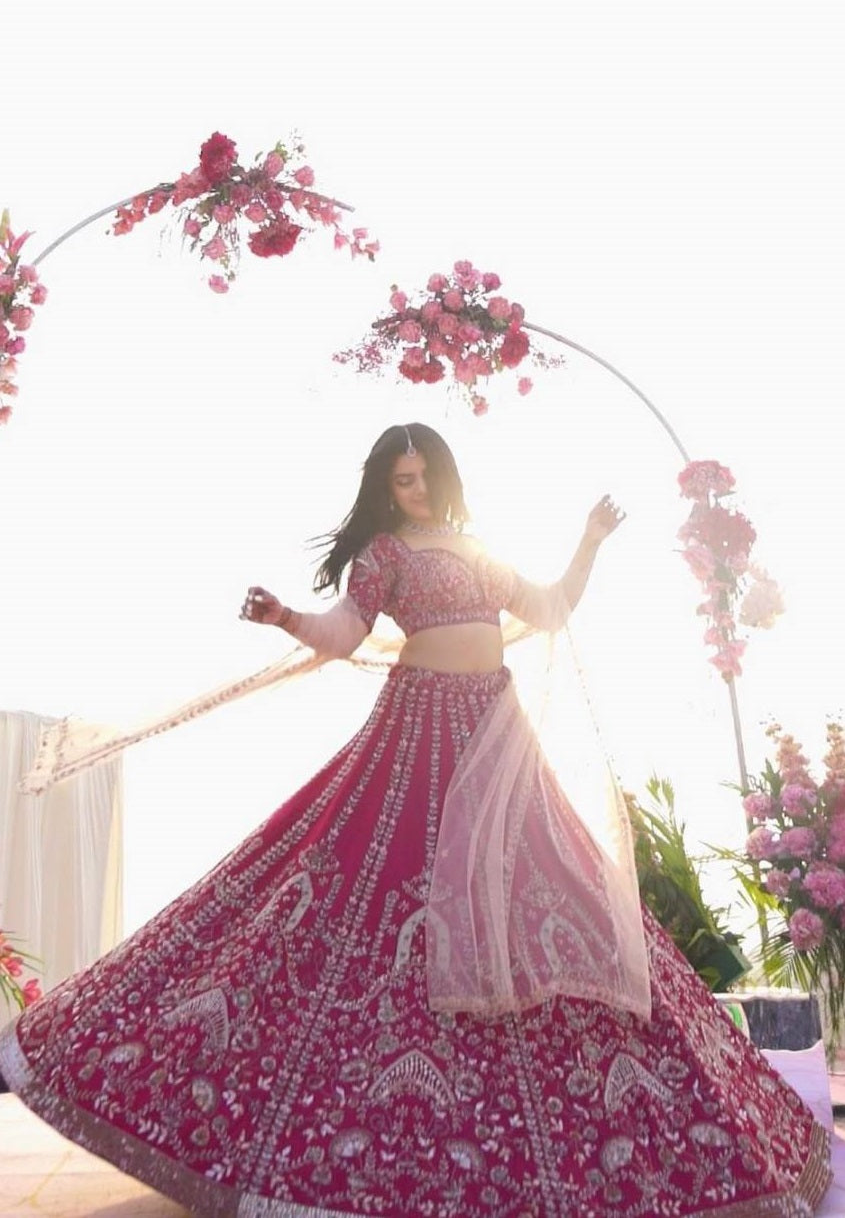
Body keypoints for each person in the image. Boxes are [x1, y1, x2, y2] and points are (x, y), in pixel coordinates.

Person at [0, 423, 831, 1217]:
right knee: (364, 898)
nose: (418, 490)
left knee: (552, 897)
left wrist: (587, 541)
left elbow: (548, 611)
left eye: (427, 475)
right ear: (383, 490)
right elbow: (343, 632)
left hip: (498, 744)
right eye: (403, 481)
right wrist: (287, 617)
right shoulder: (383, 555)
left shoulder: (479, 552)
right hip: (416, 739)